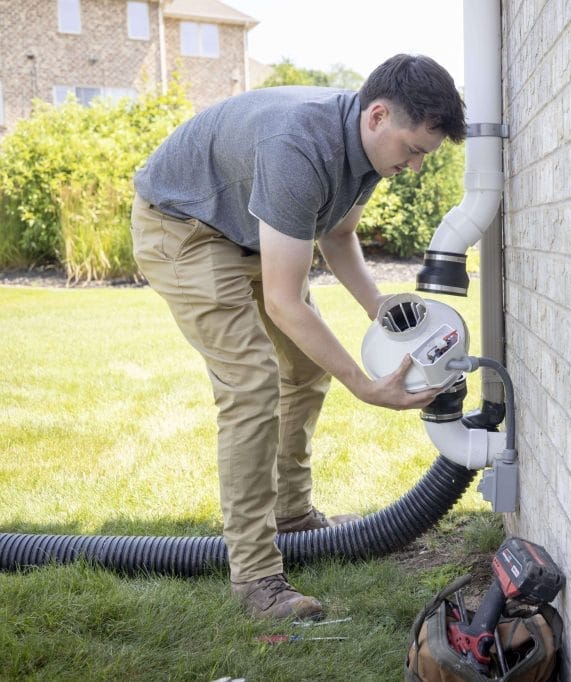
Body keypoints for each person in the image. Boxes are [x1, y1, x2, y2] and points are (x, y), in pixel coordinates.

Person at [130, 54, 466, 620]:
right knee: (252, 382)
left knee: (305, 369)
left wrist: (382, 312)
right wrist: (363, 384)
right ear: (378, 115)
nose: (413, 166)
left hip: (243, 233)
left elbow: (337, 235)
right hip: (183, 228)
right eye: (413, 150)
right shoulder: (299, 146)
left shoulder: (366, 149)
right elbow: (286, 302)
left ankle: (291, 515)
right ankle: (257, 577)